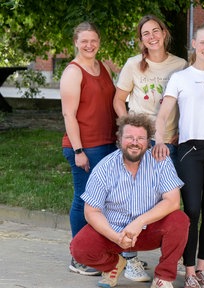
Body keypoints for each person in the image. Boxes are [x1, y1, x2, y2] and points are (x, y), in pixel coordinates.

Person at [153, 23, 204, 288]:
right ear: (194, 43)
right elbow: (164, 114)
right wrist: (159, 140)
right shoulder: (181, 78)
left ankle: (202, 269)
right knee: (190, 211)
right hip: (190, 150)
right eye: (203, 42)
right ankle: (188, 271)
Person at [69, 113, 189, 288]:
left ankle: (163, 277)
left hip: (149, 230)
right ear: (119, 139)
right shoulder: (105, 167)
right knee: (79, 248)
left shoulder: (161, 162)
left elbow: (172, 201)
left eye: (140, 138)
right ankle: (114, 264)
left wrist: (139, 222)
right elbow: (91, 211)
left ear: (148, 141)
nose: (135, 142)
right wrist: (116, 237)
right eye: (129, 137)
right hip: (114, 230)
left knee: (179, 221)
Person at [113, 14, 187, 282]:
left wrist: (181, 131)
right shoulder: (133, 65)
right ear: (141, 39)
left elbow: (187, 103)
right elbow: (119, 100)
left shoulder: (180, 65)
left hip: (168, 142)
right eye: (146, 33)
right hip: (140, 143)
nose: (152, 36)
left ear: (164, 33)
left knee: (168, 203)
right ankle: (130, 260)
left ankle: (168, 261)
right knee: (132, 201)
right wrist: (127, 130)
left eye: (156, 31)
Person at [60, 21, 117, 276]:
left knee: (103, 203)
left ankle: (98, 252)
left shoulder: (102, 66)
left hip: (107, 144)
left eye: (94, 40)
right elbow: (68, 114)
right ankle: (78, 257)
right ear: (75, 42)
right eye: (84, 41)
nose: (89, 45)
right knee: (84, 200)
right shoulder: (73, 72)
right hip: (85, 147)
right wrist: (78, 150)